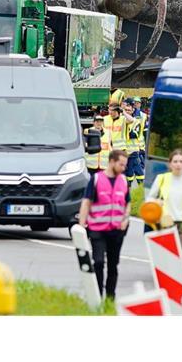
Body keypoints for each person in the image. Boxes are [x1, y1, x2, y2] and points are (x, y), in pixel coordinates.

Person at [77, 149, 130, 301]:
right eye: (121, 164)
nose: (123, 168)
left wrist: (125, 219)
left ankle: (110, 298)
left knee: (113, 266)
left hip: (116, 230)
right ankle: (98, 295)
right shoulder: (96, 179)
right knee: (99, 262)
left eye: (125, 165)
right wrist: (82, 225)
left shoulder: (124, 180)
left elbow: (127, 203)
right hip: (97, 229)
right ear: (112, 162)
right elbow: (86, 202)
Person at [144, 149, 182, 274]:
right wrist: (156, 202)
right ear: (170, 164)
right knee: (167, 258)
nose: (178, 164)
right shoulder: (162, 179)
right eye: (175, 161)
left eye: (181, 161)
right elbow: (149, 199)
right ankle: (167, 285)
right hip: (165, 223)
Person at [122, 99, 146, 186]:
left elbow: (133, 134)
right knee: (129, 169)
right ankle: (130, 185)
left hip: (132, 149)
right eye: (126, 110)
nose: (127, 112)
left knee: (136, 168)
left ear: (133, 110)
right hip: (124, 149)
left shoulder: (135, 120)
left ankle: (139, 185)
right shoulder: (122, 120)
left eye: (129, 110)